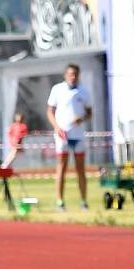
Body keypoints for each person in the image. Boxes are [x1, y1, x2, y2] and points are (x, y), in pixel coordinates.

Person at [47, 64, 93, 210]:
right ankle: (60, 201)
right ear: (65, 75)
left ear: (78, 76)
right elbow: (50, 112)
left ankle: (83, 201)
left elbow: (89, 113)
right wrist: (57, 127)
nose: (72, 77)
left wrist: (82, 119)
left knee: (80, 168)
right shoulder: (57, 89)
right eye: (70, 74)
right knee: (62, 167)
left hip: (78, 135)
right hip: (63, 135)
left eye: (75, 74)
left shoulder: (84, 91)